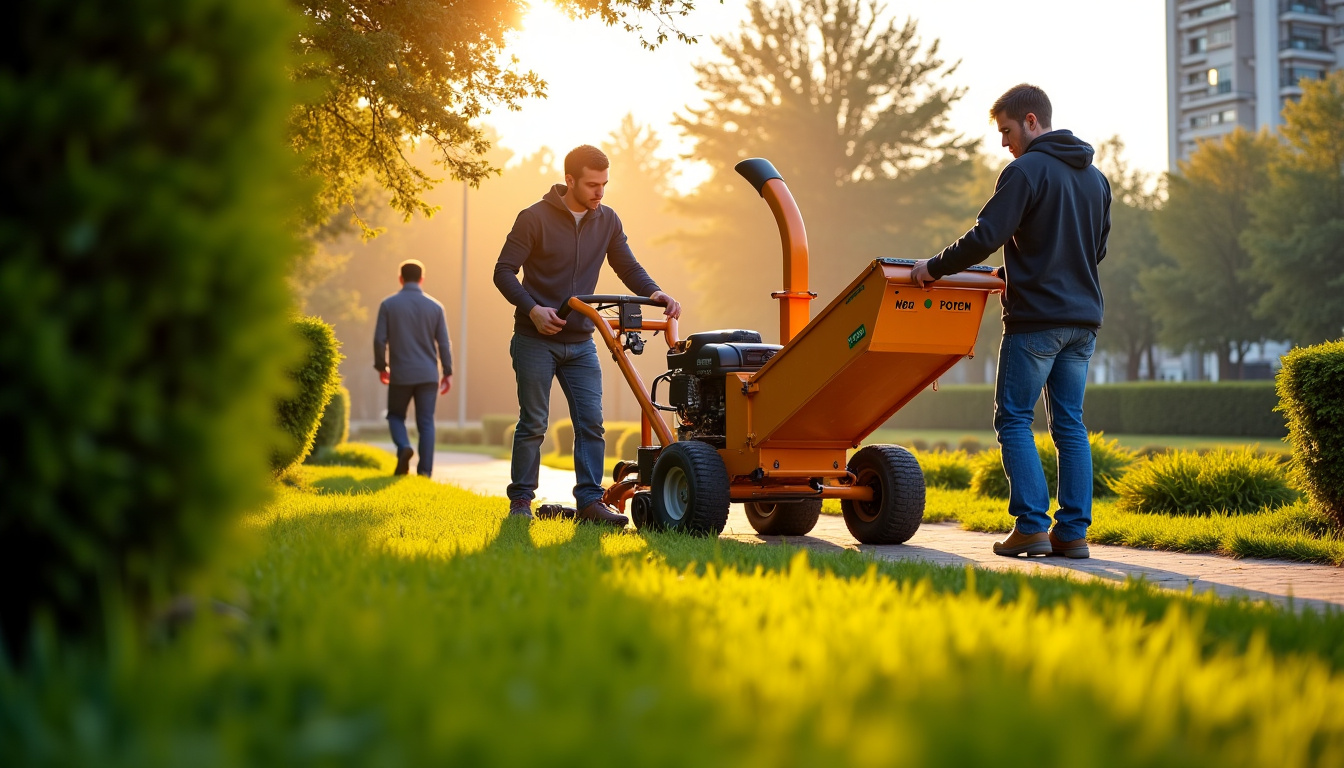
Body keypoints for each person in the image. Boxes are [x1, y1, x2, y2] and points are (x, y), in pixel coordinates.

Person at [910, 84, 1110, 559]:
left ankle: (1031, 526)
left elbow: (987, 235)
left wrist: (932, 268)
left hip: (1037, 321)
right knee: (1070, 425)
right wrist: (1014, 270)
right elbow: (1092, 250)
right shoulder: (1096, 178)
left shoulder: (1024, 171)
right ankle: (1072, 534)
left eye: (1007, 130)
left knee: (1014, 417)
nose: (1004, 142)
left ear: (1032, 121)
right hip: (1083, 322)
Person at [494, 144, 681, 526]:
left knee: (591, 423)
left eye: (604, 185)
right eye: (592, 184)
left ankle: (591, 503)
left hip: (581, 340)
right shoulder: (534, 218)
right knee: (534, 422)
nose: (599, 192)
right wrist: (533, 308)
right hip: (535, 337)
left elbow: (626, 264)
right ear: (570, 181)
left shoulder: (607, 220)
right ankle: (521, 503)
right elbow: (503, 271)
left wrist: (655, 293)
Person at [374, 259, 453, 477]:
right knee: (426, 422)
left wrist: (382, 366)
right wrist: (447, 371)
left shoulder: (388, 305)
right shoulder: (436, 307)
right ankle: (425, 472)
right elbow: (444, 343)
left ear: (400, 279)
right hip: (428, 374)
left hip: (401, 373)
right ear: (422, 279)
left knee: (395, 416)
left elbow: (380, 340)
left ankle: (403, 447)